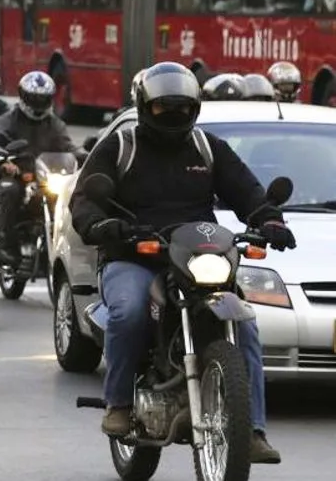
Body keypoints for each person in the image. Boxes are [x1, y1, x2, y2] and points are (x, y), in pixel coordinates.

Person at [68, 61, 291, 464]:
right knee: (130, 311)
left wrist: (269, 220)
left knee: (245, 324)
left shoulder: (207, 148)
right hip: (135, 256)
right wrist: (102, 225)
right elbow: (85, 199)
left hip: (196, 255)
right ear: (145, 106)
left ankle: (252, 430)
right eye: (163, 107)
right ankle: (119, 403)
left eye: (182, 107)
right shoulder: (121, 146)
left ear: (194, 108)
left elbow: (247, 191)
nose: (173, 114)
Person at [0, 71, 81, 261]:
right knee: (9, 192)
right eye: (34, 99)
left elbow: (68, 146)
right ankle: (8, 247)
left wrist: (83, 155)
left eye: (43, 99)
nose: (39, 104)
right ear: (23, 97)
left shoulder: (55, 124)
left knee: (72, 195)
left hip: (46, 177)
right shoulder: (8, 120)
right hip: (17, 175)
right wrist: (6, 161)